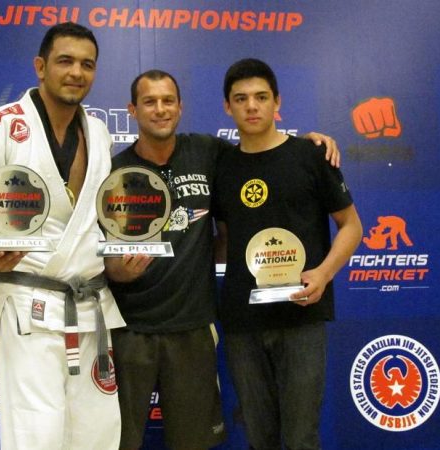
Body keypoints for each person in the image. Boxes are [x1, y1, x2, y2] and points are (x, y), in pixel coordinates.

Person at [104, 69, 342, 450]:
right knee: (117, 442)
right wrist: (115, 269)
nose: (160, 110)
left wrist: (310, 145)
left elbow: (264, 153)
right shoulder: (113, 171)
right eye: (150, 102)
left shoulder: (209, 152)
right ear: (132, 109)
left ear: (181, 107)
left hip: (193, 327)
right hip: (129, 328)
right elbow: (98, 251)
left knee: (196, 443)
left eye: (168, 101)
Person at [0, 23, 125, 450]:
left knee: (96, 431)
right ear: (40, 67)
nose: (77, 72)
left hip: (90, 305)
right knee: (36, 433)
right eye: (65, 61)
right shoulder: (0, 126)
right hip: (29, 304)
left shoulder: (98, 132)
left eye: (87, 64)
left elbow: (97, 217)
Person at [213, 58, 363, 450]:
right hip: (243, 320)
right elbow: (222, 236)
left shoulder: (312, 155)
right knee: (260, 439)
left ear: (277, 101)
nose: (252, 106)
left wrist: (324, 273)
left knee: (300, 438)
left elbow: (352, 227)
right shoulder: (220, 166)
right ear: (227, 107)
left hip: (302, 313)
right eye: (241, 98)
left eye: (261, 97)